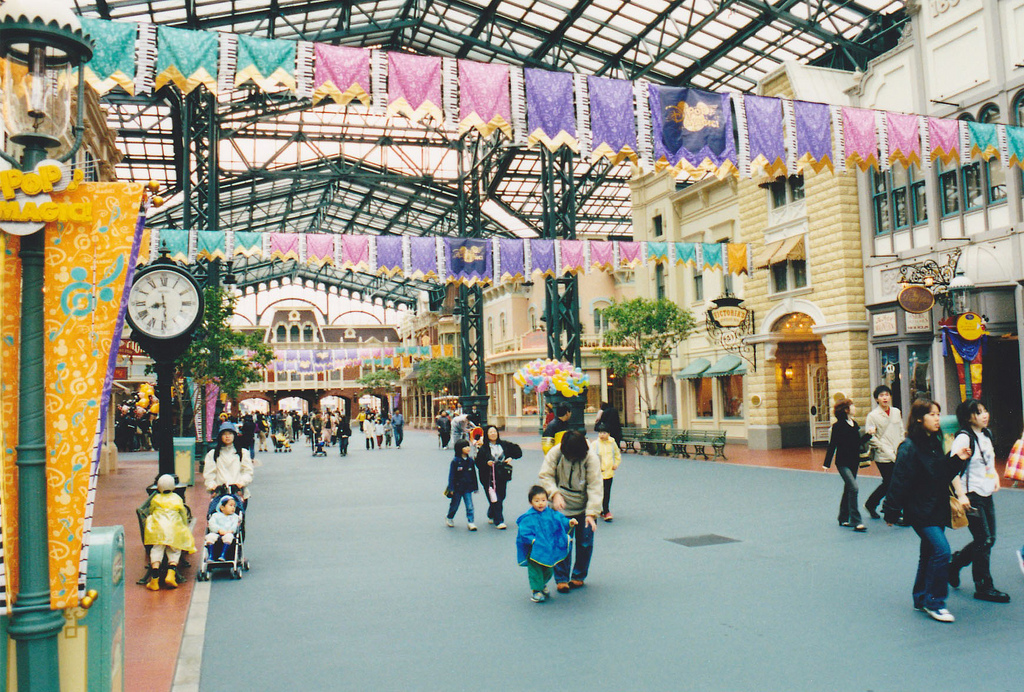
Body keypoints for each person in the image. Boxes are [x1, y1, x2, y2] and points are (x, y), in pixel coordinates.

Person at [884, 399, 970, 623]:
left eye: (939, 414)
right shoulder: (910, 446)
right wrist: (891, 511)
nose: (937, 419)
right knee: (941, 551)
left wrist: (957, 460)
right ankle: (935, 602)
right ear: (920, 418)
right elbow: (899, 480)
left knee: (929, 554)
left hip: (936, 507)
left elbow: (939, 474)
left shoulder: (934, 442)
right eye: (932, 414)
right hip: (920, 511)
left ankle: (921, 597)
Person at [947, 400, 1011, 603]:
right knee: (984, 540)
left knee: (989, 539)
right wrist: (961, 495)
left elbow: (988, 463)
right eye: (979, 412)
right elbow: (952, 469)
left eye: (985, 411)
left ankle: (955, 563)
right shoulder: (964, 439)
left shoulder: (986, 435)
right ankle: (983, 586)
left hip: (985, 493)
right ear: (968, 417)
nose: (985, 415)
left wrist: (994, 478)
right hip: (971, 495)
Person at [537, 429, 603, 593]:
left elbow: (595, 486)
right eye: (569, 456)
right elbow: (545, 475)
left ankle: (578, 576)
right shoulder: (556, 452)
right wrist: (555, 494)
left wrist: (591, 513)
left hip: (583, 504)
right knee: (561, 542)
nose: (572, 458)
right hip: (561, 504)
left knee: (585, 542)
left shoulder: (590, 458)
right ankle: (561, 578)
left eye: (574, 456)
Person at [516, 486, 577, 603]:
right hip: (535, 550)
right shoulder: (528, 517)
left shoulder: (551, 513)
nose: (540, 503)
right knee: (535, 570)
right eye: (537, 500)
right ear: (531, 502)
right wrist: (532, 540)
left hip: (549, 548)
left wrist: (569, 522)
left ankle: (542, 584)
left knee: (549, 568)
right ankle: (536, 590)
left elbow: (560, 520)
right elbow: (524, 532)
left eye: (543, 500)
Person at [822, 399, 870, 532]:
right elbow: (833, 445)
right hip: (843, 463)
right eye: (852, 406)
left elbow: (857, 443)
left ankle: (842, 517)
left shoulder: (854, 424)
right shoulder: (838, 426)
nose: (854, 407)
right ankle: (856, 521)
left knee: (848, 489)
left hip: (854, 461)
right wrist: (827, 463)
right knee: (854, 488)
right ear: (846, 410)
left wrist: (868, 435)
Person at [144, 474, 196, 590]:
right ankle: (171, 574)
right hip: (173, 530)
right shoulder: (177, 498)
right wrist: (184, 524)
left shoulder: (156, 498)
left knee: (157, 549)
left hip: (158, 531)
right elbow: (182, 513)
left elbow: (151, 510)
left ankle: (154, 579)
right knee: (175, 549)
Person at [864, 385, 903, 520]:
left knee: (891, 483)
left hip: (897, 452)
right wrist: (882, 448)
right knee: (891, 482)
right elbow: (871, 437)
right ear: (877, 399)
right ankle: (893, 511)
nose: (885, 398)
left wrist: (902, 447)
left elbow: (901, 431)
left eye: (886, 394)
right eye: (881, 395)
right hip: (883, 455)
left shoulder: (896, 412)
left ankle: (871, 504)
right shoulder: (872, 416)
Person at [475, 426, 523, 530]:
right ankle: (499, 520)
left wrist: (510, 457)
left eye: (494, 432)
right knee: (495, 498)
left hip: (502, 475)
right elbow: (478, 462)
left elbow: (518, 451)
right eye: (490, 432)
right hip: (488, 477)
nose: (493, 434)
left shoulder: (504, 445)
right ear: (487, 434)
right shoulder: (484, 448)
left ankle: (491, 512)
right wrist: (486, 463)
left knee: (501, 495)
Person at [203, 422, 255, 512]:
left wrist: (241, 483)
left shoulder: (242, 453)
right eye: (224, 434)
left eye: (230, 434)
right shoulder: (213, 454)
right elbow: (209, 474)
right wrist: (213, 486)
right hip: (220, 494)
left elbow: (248, 472)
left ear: (234, 435)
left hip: (238, 493)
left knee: (237, 522)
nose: (227, 436)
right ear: (220, 436)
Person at [446, 440, 479, 530]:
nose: (468, 448)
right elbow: (451, 476)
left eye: (468, 446)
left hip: (467, 487)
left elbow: (473, 475)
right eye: (465, 447)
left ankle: (471, 521)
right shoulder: (455, 461)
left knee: (469, 505)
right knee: (455, 505)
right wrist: (451, 488)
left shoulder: (470, 461)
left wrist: (475, 487)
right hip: (457, 488)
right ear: (459, 449)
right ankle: (449, 517)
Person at [594, 422, 621, 521]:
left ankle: (606, 510)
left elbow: (617, 455)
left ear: (609, 434)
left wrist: (616, 464)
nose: (602, 435)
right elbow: (591, 457)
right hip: (598, 473)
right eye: (600, 432)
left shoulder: (612, 443)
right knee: (598, 492)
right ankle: (599, 509)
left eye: (604, 432)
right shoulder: (595, 444)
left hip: (609, 472)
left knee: (607, 492)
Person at [205, 495, 242, 561]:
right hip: (216, 532)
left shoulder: (235, 517)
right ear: (222, 507)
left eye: (234, 506)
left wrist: (231, 531)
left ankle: (223, 555)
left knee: (229, 537)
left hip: (228, 533)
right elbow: (212, 524)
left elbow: (234, 526)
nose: (233, 508)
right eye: (230, 505)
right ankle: (210, 556)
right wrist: (219, 530)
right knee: (210, 537)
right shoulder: (215, 515)